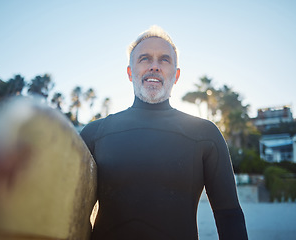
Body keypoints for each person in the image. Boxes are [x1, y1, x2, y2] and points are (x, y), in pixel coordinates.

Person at [80, 25, 248, 240]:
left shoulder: (205, 134)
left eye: (164, 60)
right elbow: (73, 212)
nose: (155, 66)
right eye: (145, 59)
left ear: (176, 75)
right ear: (130, 72)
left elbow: (229, 215)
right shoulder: (95, 133)